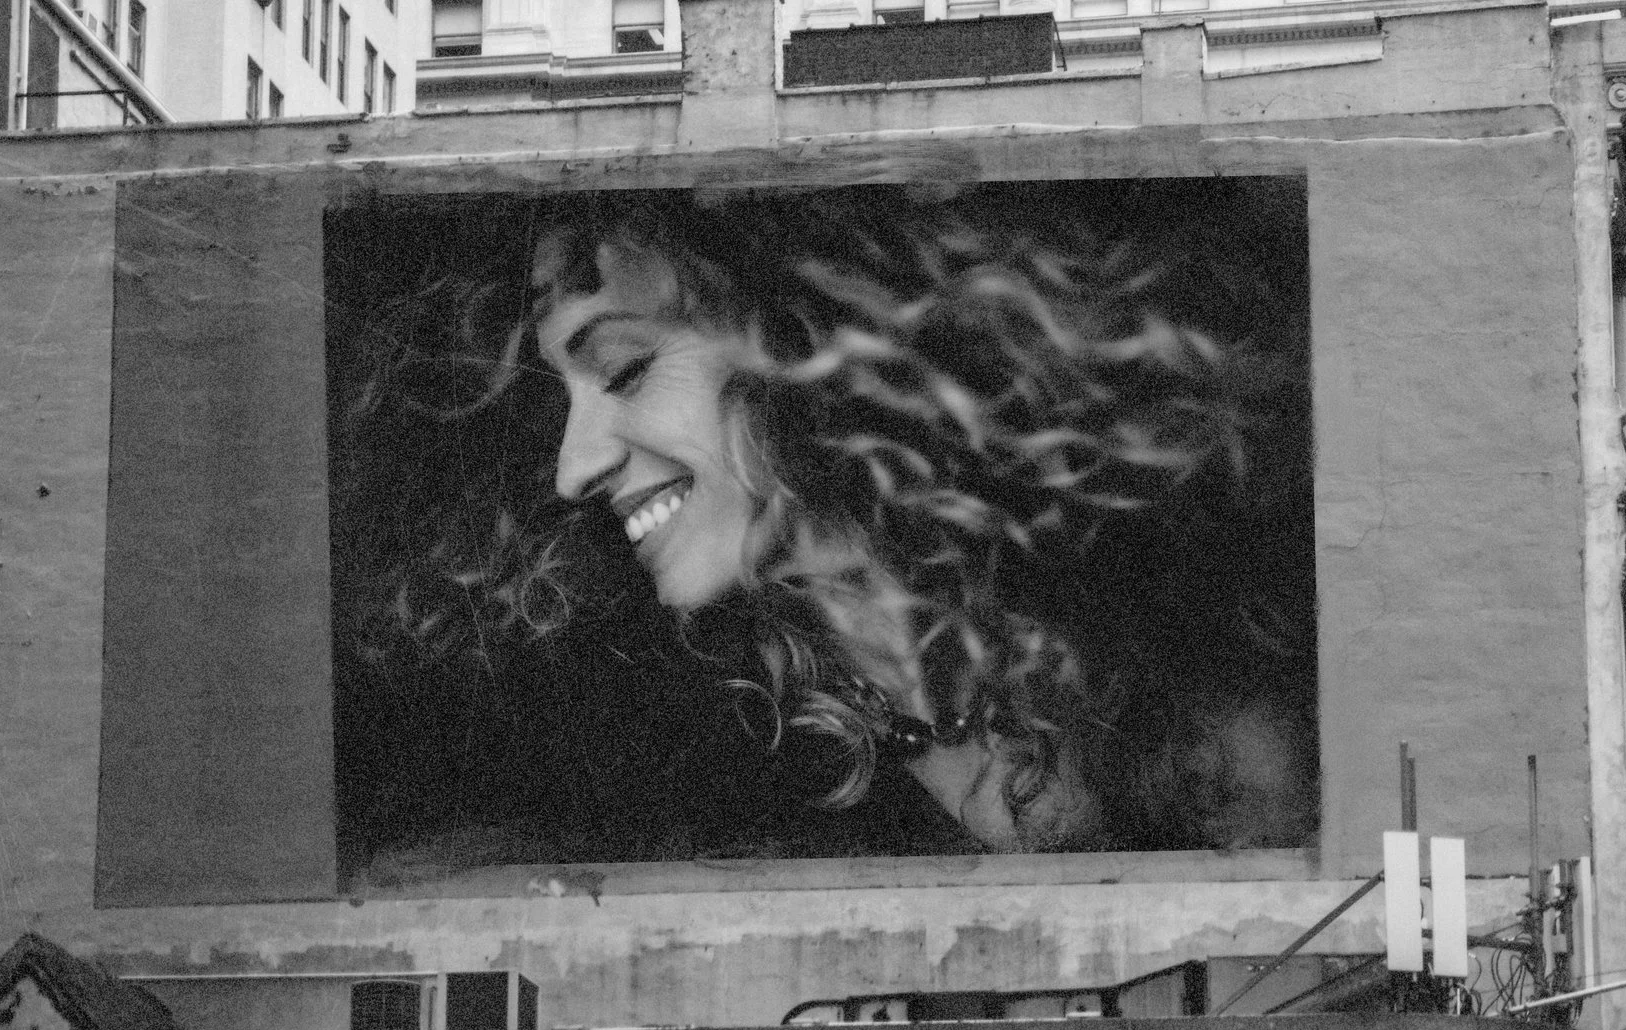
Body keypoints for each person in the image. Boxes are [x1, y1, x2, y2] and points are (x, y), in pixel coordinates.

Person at [332, 183, 1316, 865]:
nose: (573, 466)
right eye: (561, 404)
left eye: (625, 370)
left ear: (800, 347)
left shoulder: (1179, 656)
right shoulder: (682, 757)